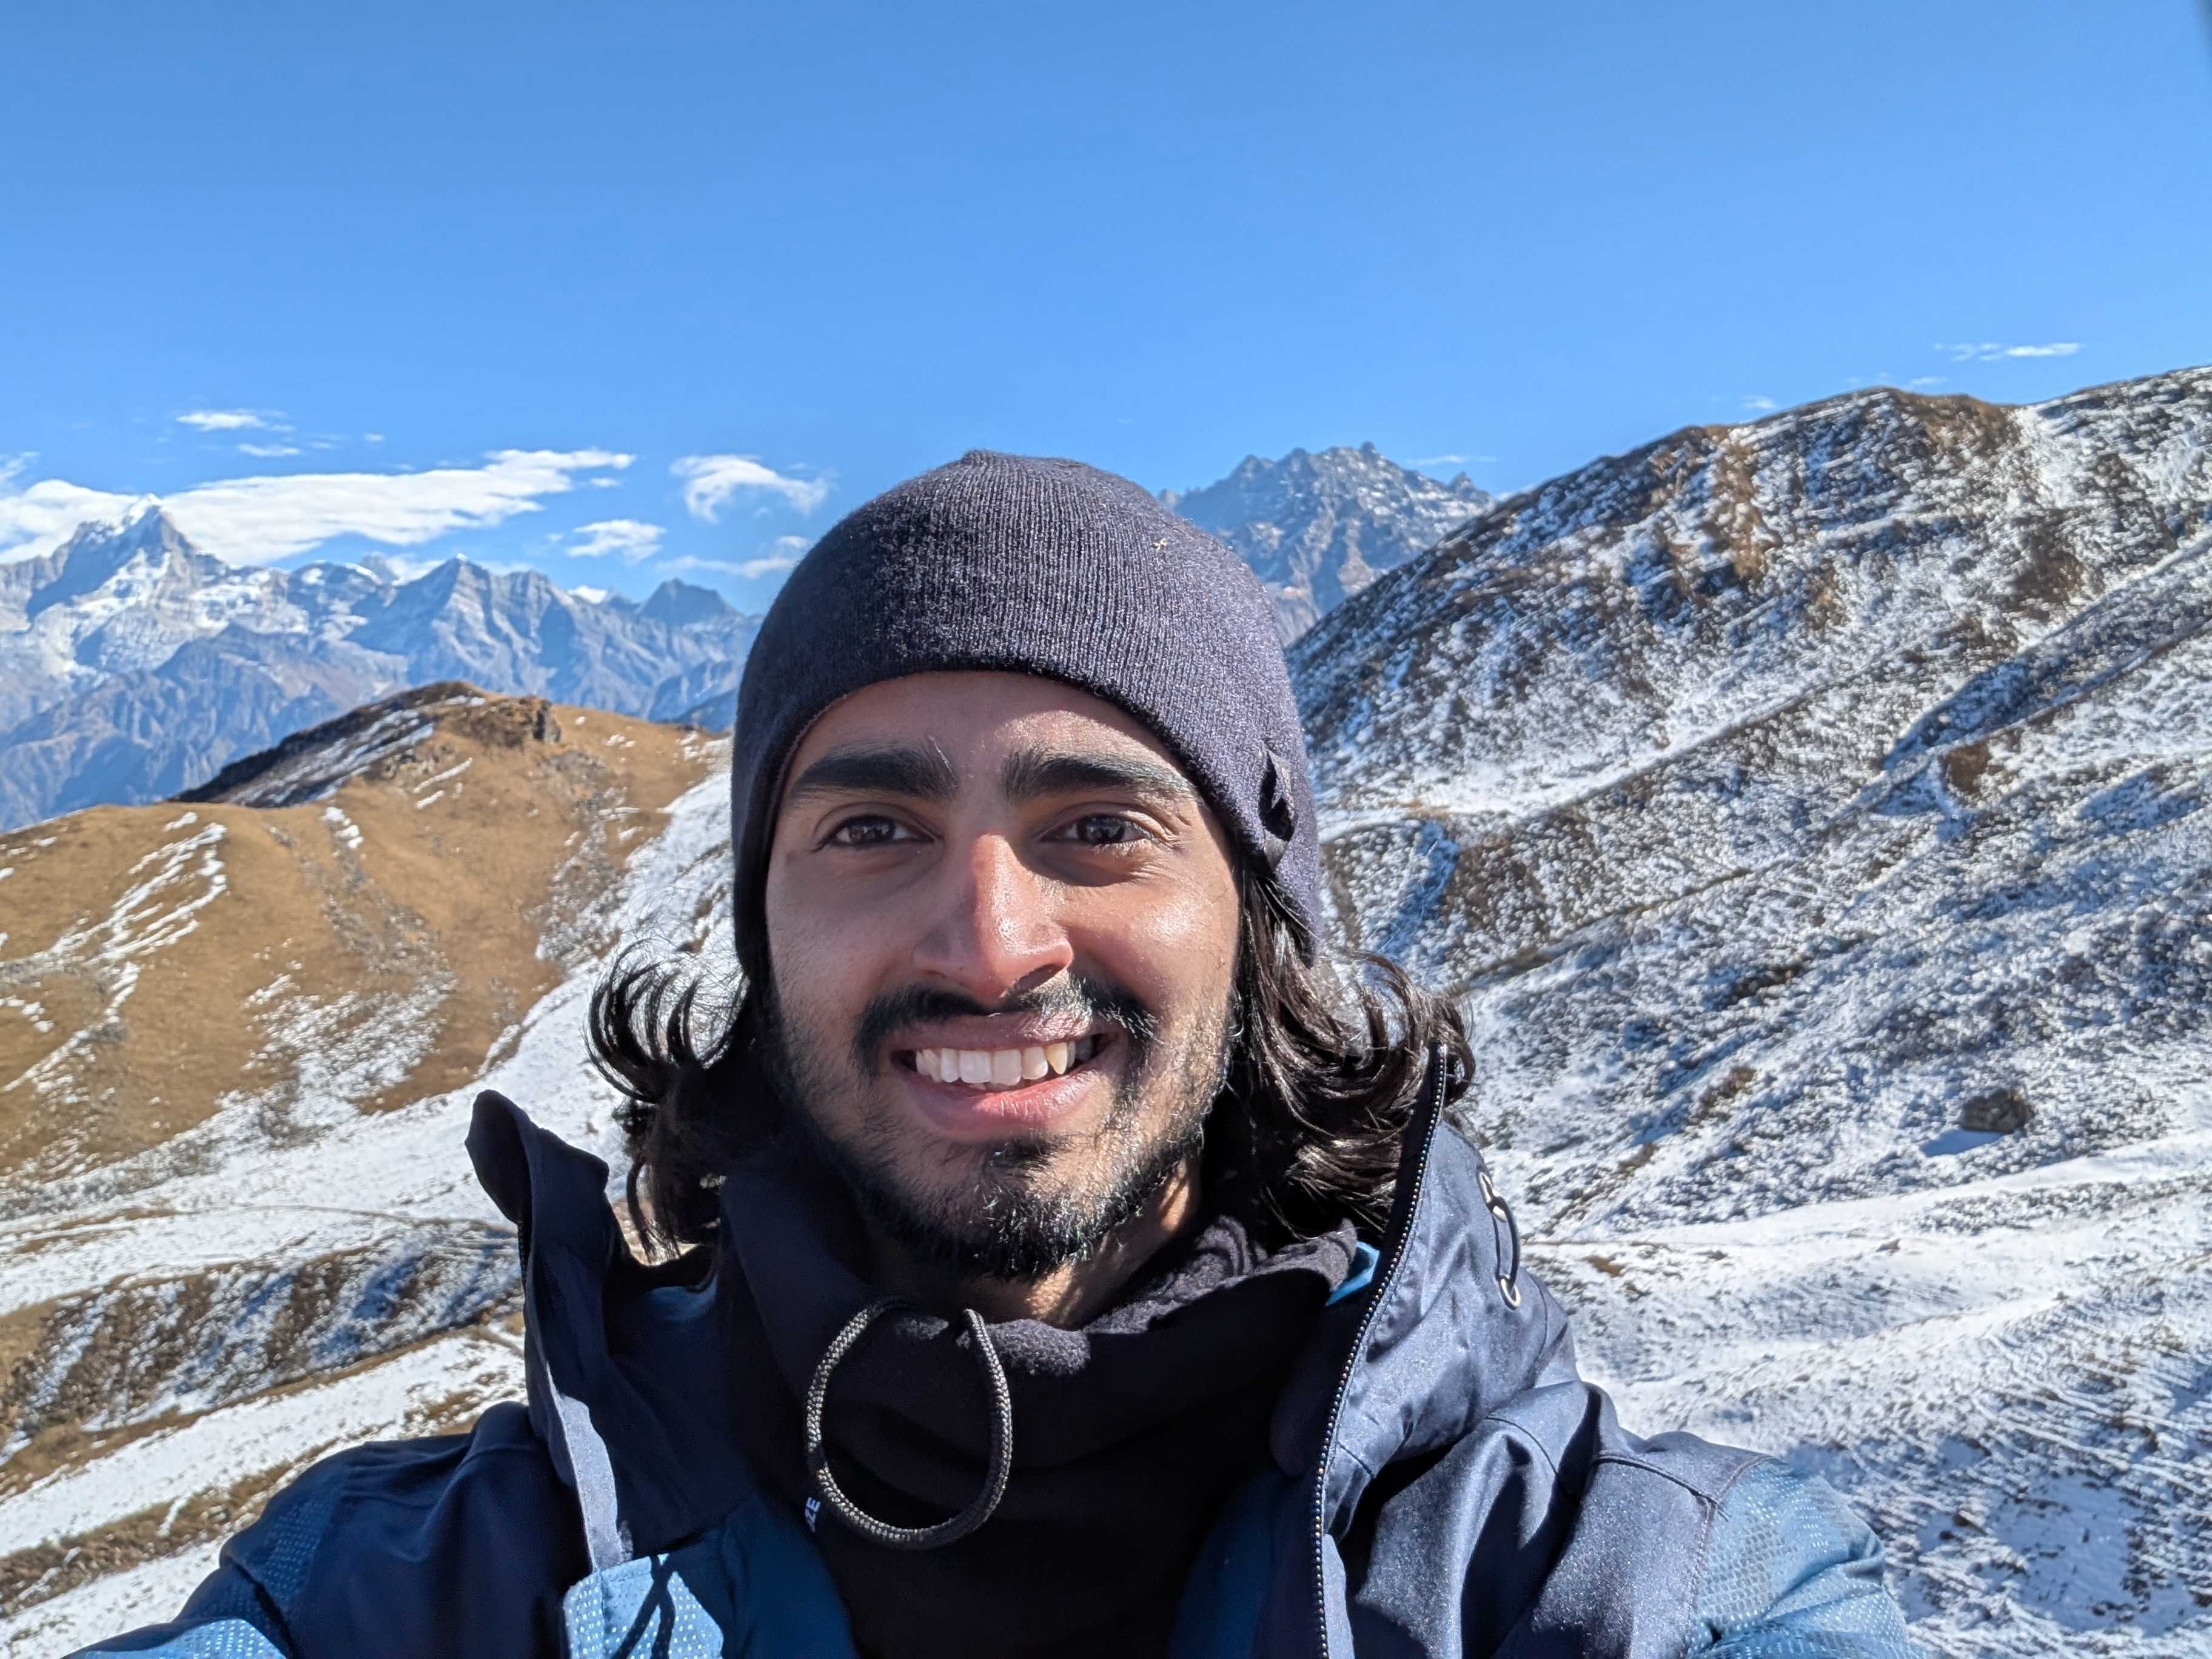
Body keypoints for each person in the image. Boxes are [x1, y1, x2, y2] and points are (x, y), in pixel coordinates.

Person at [77, 452, 1916, 1658]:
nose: (988, 939)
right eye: (869, 830)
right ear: (759, 923)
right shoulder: (423, 1597)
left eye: (1098, 826)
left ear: (1259, 916)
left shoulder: (1619, 1585)